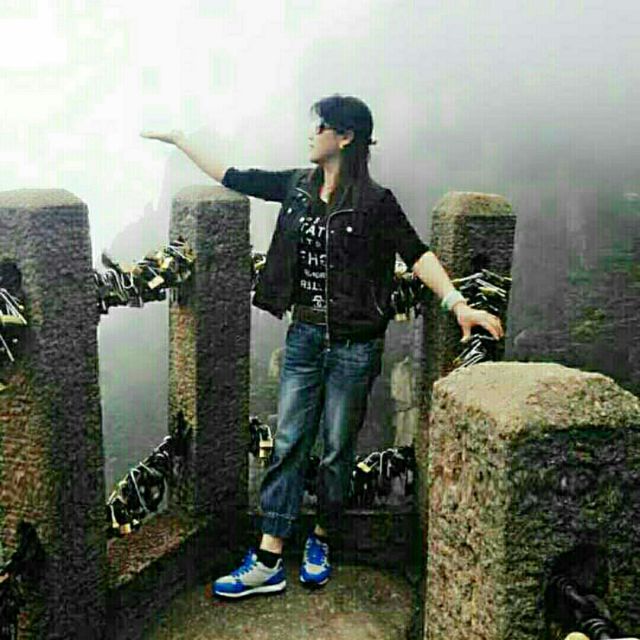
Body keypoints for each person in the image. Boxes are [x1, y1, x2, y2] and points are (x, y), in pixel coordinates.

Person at [141, 94, 504, 599]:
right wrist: (182, 141)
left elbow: (416, 253)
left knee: (336, 450)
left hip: (355, 345)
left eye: (320, 127)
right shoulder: (296, 186)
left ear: (345, 137)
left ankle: (323, 536)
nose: (312, 135)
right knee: (289, 441)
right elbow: (234, 176)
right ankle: (268, 556)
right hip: (305, 338)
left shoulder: (376, 202)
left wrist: (458, 305)